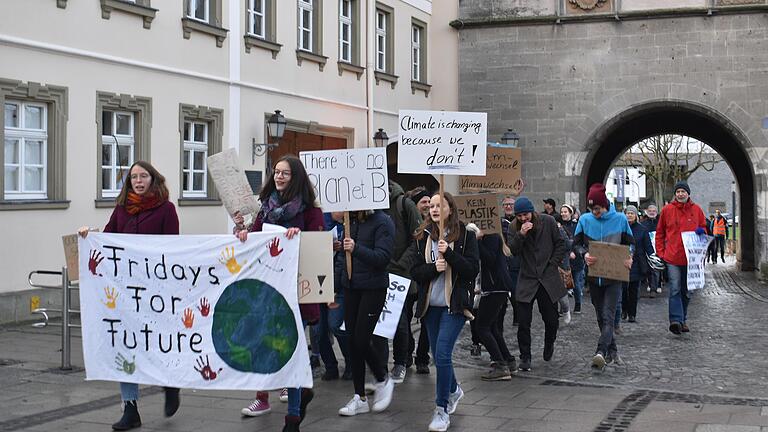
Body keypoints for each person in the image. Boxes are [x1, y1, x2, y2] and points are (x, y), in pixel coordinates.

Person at [78, 161, 181, 431]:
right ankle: (130, 408)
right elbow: (109, 238)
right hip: (125, 292)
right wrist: (90, 236)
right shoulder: (122, 209)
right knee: (126, 346)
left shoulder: (166, 209)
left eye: (143, 176)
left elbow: (172, 248)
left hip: (155, 291)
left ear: (152, 179)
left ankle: (169, 383)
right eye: (133, 177)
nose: (138, 180)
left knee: (156, 342)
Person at [236, 154, 325, 432]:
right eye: (276, 172)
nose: (279, 176)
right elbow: (254, 239)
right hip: (268, 290)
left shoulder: (310, 212)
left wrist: (300, 238)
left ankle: (293, 416)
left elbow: (318, 250)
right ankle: (263, 397)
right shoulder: (265, 208)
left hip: (297, 292)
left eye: (285, 173)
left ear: (296, 176)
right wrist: (242, 232)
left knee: (294, 351)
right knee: (263, 345)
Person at [410, 192, 479, 432]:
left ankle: (441, 410)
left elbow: (471, 270)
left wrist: (449, 254)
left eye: (440, 205)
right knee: (437, 354)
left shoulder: (466, 236)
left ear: (451, 208)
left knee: (441, 355)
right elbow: (415, 272)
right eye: (432, 205)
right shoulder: (422, 236)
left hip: (454, 305)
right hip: (430, 307)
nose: (434, 208)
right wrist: (433, 268)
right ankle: (454, 389)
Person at [336, 209, 396, 416]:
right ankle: (359, 397)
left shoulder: (383, 222)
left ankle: (382, 378)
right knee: (352, 341)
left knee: (361, 340)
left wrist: (355, 248)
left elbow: (383, 257)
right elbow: (345, 256)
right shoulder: (350, 220)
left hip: (373, 288)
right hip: (351, 286)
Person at [573, 183, 634, 369]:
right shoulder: (584, 220)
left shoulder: (620, 219)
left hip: (613, 277)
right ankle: (613, 352)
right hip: (593, 277)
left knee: (608, 316)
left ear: (605, 205)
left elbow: (630, 243)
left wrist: (629, 257)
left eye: (597, 208)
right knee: (600, 316)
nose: (594, 212)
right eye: (591, 209)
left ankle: (600, 352)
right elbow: (575, 244)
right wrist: (584, 254)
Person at [508, 196, 566, 372]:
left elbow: (561, 244)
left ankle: (549, 342)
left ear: (532, 212)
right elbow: (513, 250)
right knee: (523, 321)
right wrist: (521, 234)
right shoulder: (513, 227)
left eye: (525, 215)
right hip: (527, 278)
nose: (523, 219)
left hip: (547, 277)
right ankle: (525, 356)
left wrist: (553, 263)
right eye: (520, 216)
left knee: (551, 319)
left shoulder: (548, 221)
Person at [655, 181, 707, 336]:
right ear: (675, 194)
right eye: (678, 191)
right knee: (675, 288)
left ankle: (683, 319)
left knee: (687, 291)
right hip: (672, 257)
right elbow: (660, 233)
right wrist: (661, 253)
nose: (680, 194)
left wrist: (701, 231)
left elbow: (704, 228)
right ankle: (675, 320)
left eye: (683, 191)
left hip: (691, 259)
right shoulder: (667, 210)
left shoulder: (696, 210)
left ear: (688, 193)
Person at [385, 180, 423, 384]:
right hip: (375, 272)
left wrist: (401, 265)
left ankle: (400, 362)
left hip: (399, 274)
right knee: (377, 323)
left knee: (400, 322)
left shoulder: (404, 205)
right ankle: (381, 365)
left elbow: (418, 239)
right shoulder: (369, 206)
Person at [470, 223, 516, 381]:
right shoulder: (494, 236)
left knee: (481, 327)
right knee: (493, 327)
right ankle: (508, 360)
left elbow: (489, 259)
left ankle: (500, 365)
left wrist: (477, 241)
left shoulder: (492, 237)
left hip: (495, 288)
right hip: (496, 287)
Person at [315, 212, 352, 381]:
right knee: (318, 330)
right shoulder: (318, 216)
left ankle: (351, 362)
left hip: (338, 282)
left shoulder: (352, 223)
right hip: (316, 278)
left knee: (335, 324)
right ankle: (330, 366)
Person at [408, 186, 433, 373]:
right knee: (405, 318)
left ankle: (422, 357)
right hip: (409, 277)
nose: (427, 205)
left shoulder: (435, 225)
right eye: (423, 202)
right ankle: (406, 352)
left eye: (428, 202)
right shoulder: (409, 222)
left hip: (428, 277)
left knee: (426, 320)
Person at [621, 206, 653, 323]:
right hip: (622, 261)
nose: (629, 215)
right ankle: (624, 309)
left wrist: (653, 256)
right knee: (623, 289)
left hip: (637, 262)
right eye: (628, 213)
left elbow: (648, 246)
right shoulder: (620, 228)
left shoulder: (642, 229)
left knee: (634, 289)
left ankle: (632, 313)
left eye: (631, 213)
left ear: (636, 215)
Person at [561, 204, 585, 314]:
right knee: (563, 284)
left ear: (570, 213)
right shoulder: (559, 225)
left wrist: (574, 251)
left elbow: (579, 240)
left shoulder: (577, 225)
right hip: (563, 258)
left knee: (576, 283)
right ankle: (563, 307)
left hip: (576, 258)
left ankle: (578, 304)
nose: (563, 214)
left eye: (565, 212)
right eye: (562, 212)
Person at [501, 196, 521, 326]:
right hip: (502, 260)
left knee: (514, 291)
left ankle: (517, 316)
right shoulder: (499, 221)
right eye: (506, 204)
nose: (508, 207)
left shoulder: (519, 221)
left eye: (511, 204)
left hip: (515, 260)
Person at [641, 205, 662, 296]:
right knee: (649, 268)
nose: (652, 212)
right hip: (647, 248)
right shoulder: (643, 223)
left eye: (654, 210)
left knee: (658, 268)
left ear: (656, 212)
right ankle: (651, 284)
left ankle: (658, 284)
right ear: (647, 212)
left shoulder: (660, 222)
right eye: (650, 210)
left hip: (659, 248)